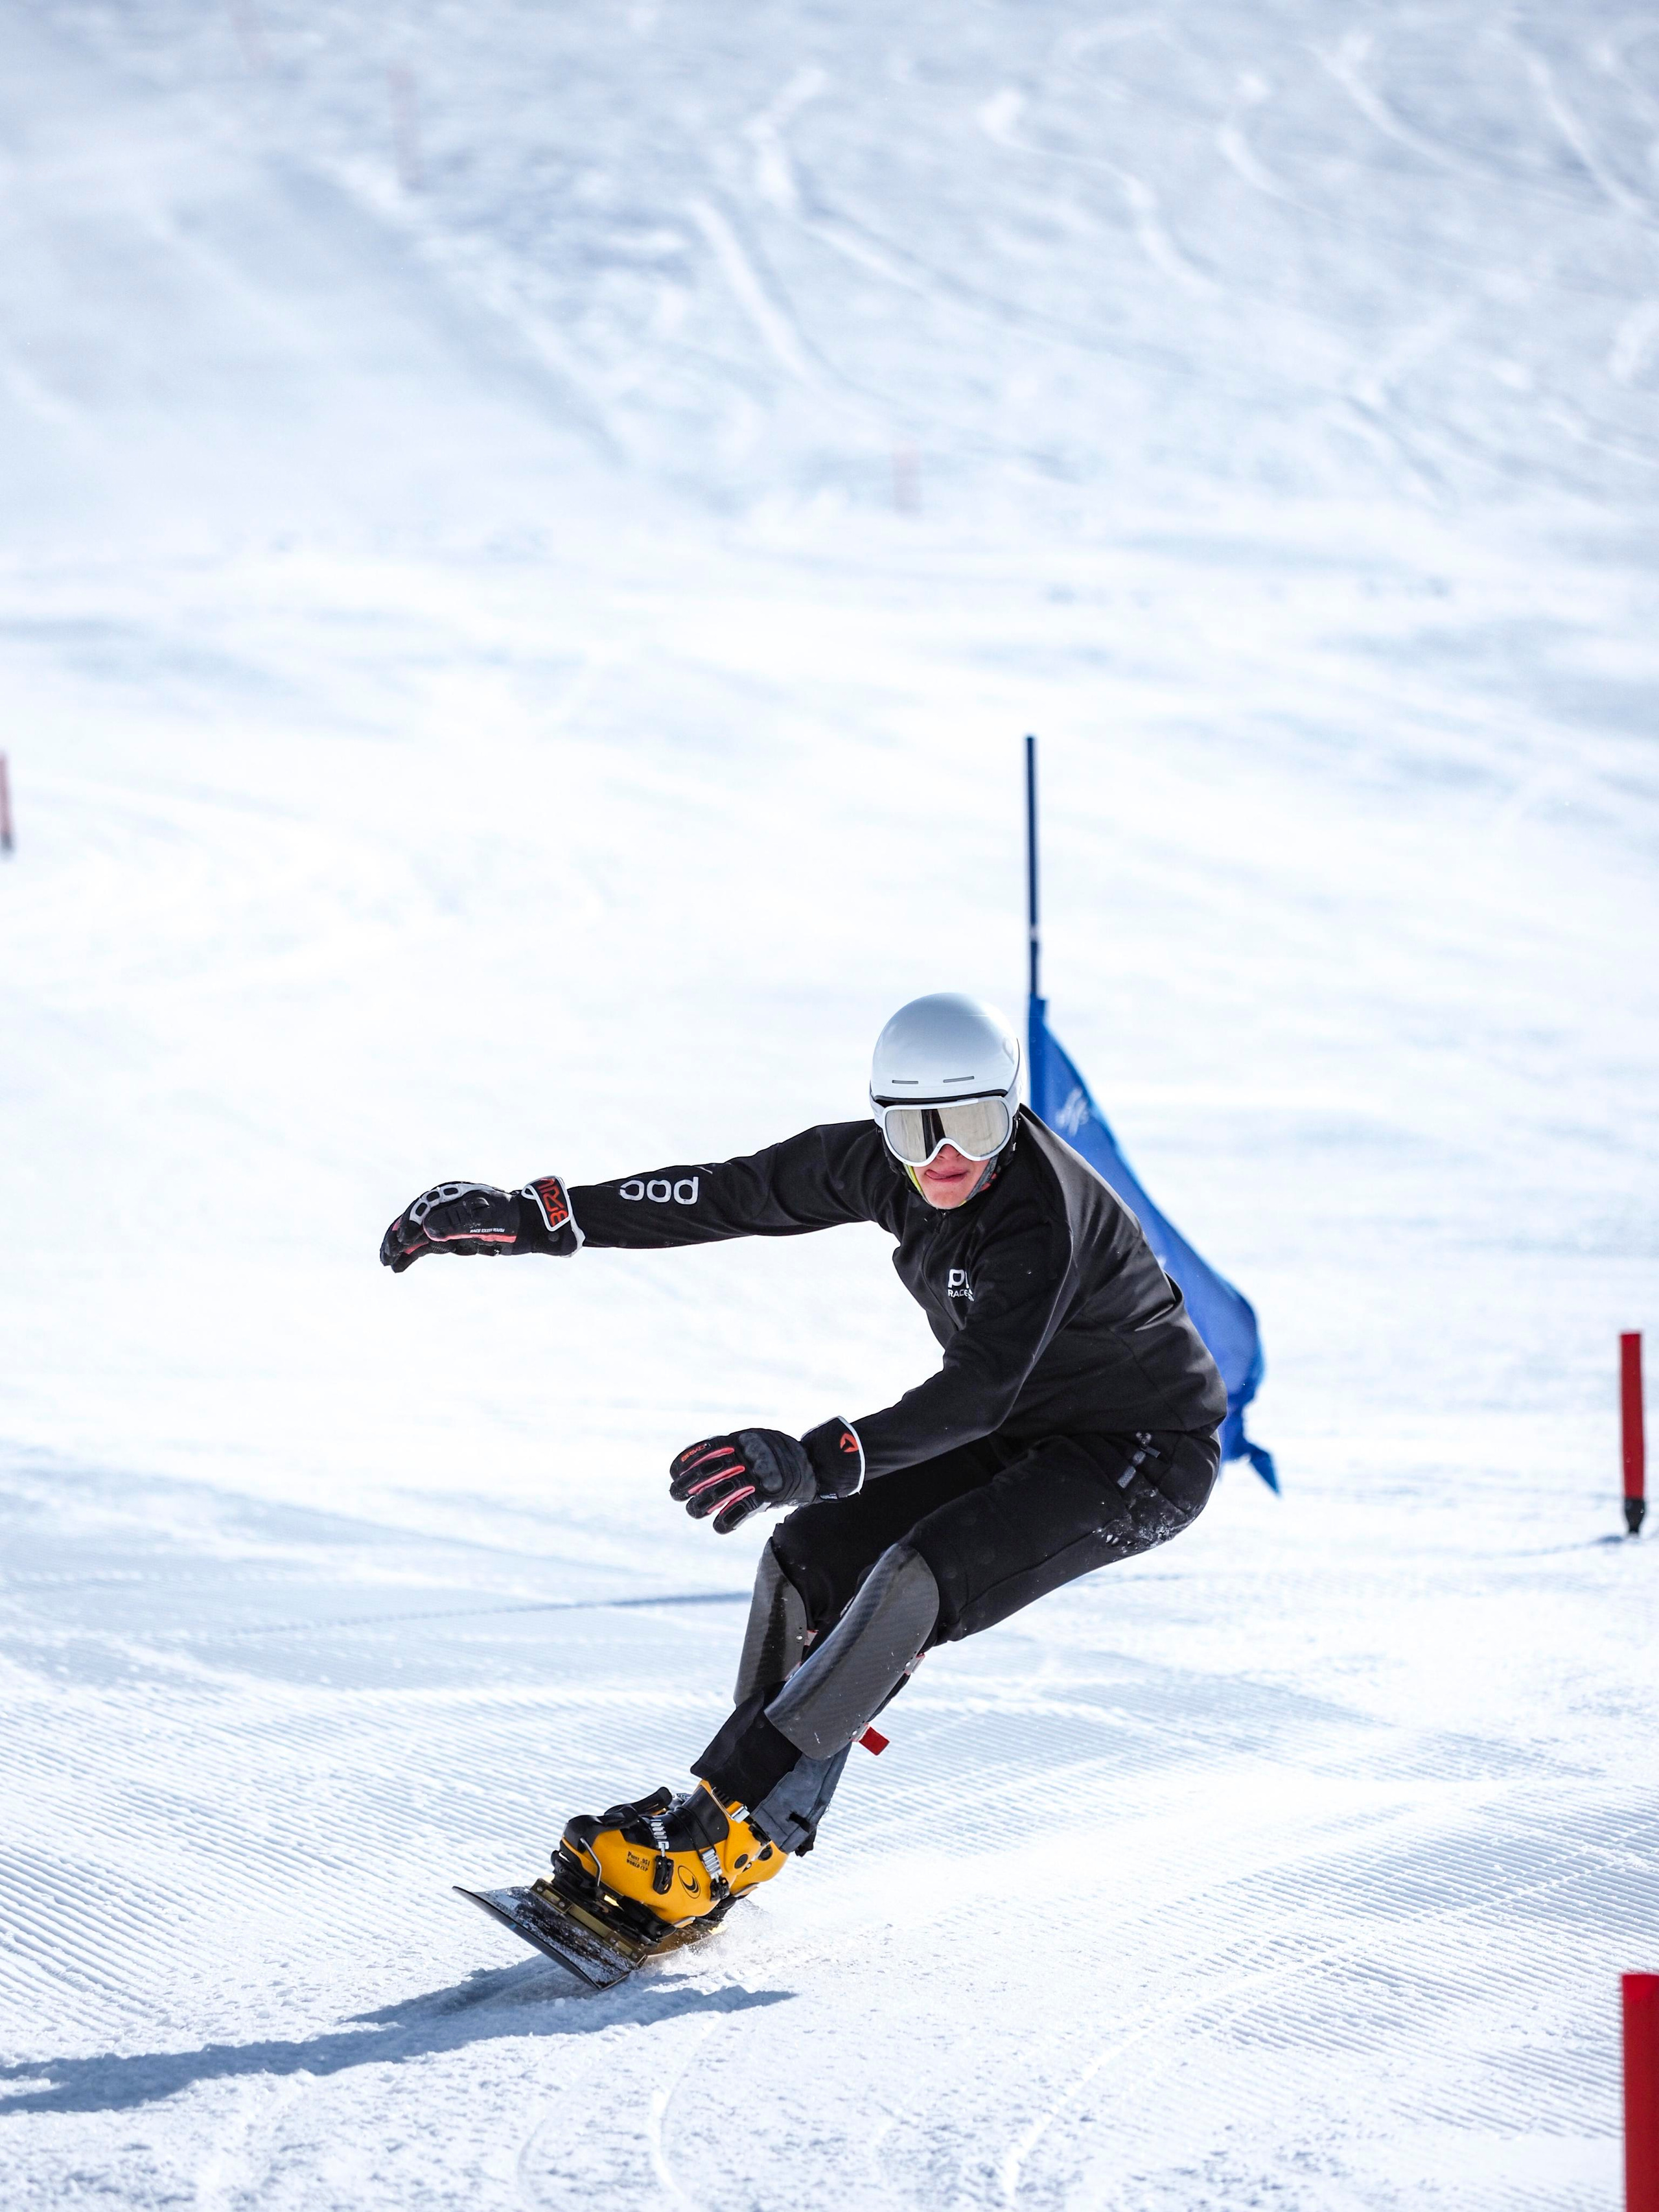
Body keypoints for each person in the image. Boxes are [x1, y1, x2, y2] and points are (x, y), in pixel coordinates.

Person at [380, 993, 1225, 1936]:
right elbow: (733, 1191)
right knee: (806, 1561)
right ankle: (727, 1825)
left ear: (1015, 1111)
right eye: (915, 1127)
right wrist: (548, 1216)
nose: (945, 1156)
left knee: (914, 1576)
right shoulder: (882, 1166)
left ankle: (716, 1833)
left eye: (977, 1124)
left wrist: (818, 1457)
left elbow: (978, 1390)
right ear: (882, 1121)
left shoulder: (1039, 1214)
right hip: (1029, 1415)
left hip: (1139, 1451)